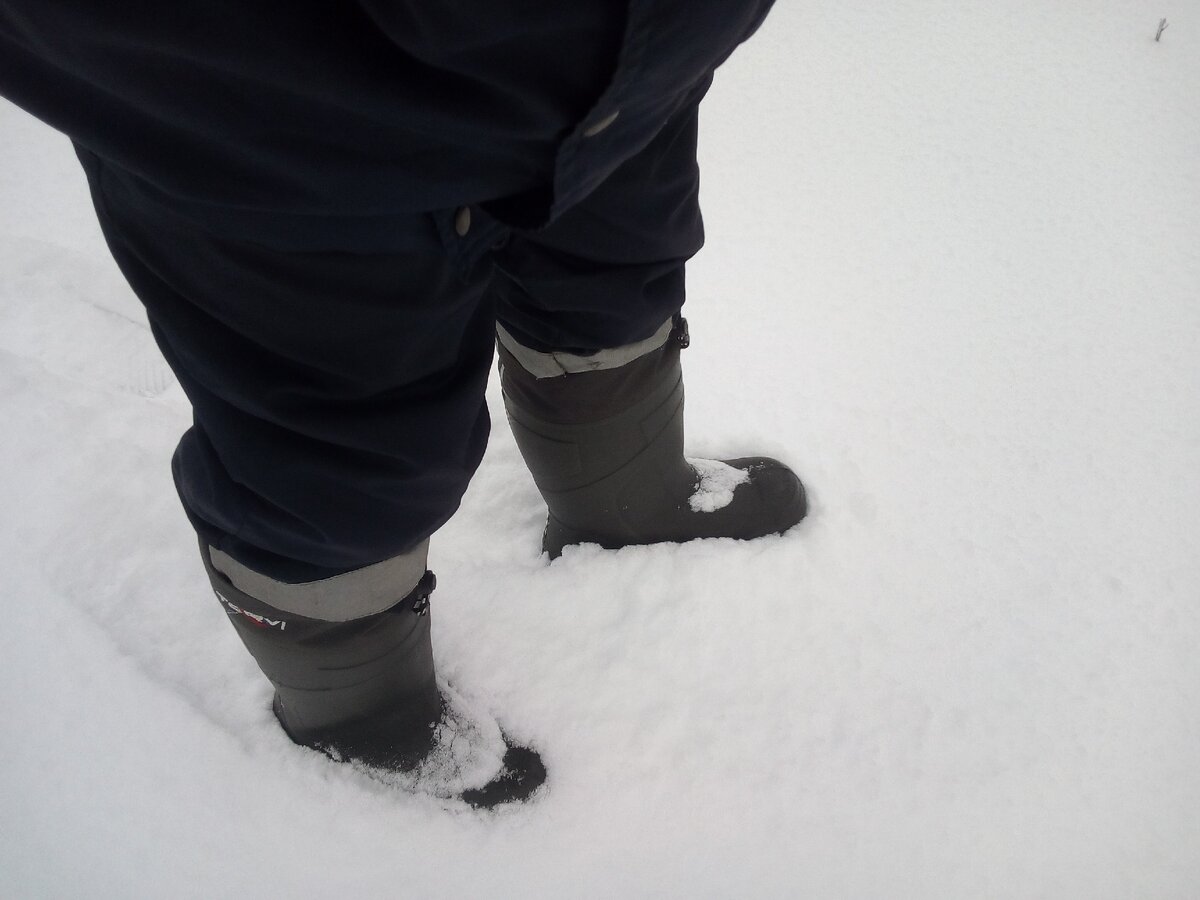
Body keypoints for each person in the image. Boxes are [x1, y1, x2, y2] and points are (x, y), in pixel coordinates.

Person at [0, 0, 805, 806]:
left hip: (630, 60)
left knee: (611, 281)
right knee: (337, 450)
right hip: (278, 106)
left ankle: (624, 505)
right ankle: (357, 708)